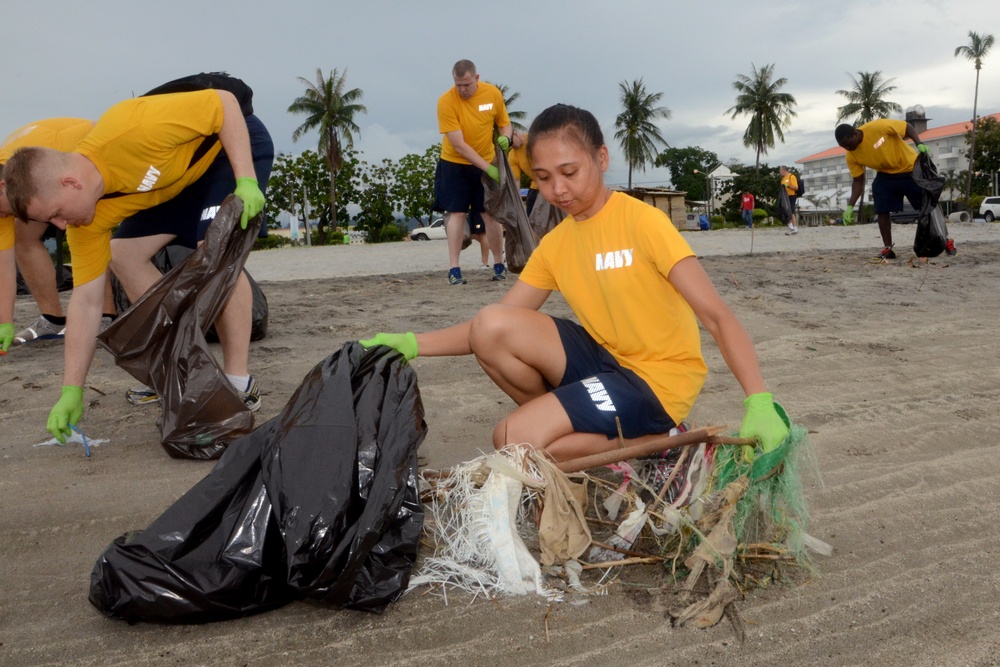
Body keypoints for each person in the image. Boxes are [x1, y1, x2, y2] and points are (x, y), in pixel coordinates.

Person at [361, 103, 788, 463]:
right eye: (543, 178)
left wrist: (759, 401)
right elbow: (487, 328)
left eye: (569, 172)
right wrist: (412, 343)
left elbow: (715, 315)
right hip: (603, 360)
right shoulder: (557, 243)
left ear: (601, 159)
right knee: (492, 325)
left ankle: (657, 440)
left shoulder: (644, 223)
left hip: (656, 383)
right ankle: (576, 425)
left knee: (510, 440)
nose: (557, 189)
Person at [3, 89, 273, 441]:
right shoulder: (87, 221)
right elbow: (85, 303)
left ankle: (238, 382)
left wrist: (246, 181)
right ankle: (180, 367)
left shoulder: (131, 130)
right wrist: (72, 390)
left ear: (70, 183)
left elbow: (223, 103)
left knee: (213, 248)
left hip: (227, 149)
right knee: (123, 253)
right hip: (175, 180)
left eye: (56, 214)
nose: (61, 226)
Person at [0, 118, 120, 354]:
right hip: (41, 180)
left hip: (88, 162)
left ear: (3, 186)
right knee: (23, 236)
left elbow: (98, 131)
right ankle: (52, 320)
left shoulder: (54, 146)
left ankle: (106, 316)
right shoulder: (6, 197)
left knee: (86, 228)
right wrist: (5, 321)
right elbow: (3, 265)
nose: (2, 215)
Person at [435, 59, 512, 285]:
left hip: (487, 158)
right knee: (456, 213)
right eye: (458, 85)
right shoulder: (446, 102)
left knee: (490, 214)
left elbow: (504, 123)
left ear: (476, 78)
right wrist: (488, 168)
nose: (463, 90)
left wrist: (506, 138)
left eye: (467, 84)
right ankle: (454, 268)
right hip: (454, 163)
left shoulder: (492, 94)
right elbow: (459, 145)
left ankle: (499, 264)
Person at [835, 120, 956, 259]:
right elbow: (858, 181)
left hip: (910, 169)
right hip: (886, 175)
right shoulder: (851, 155)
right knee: (881, 206)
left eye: (848, 144)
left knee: (930, 203)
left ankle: (947, 240)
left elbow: (907, 127)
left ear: (855, 134)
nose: (847, 148)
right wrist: (850, 206)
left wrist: (919, 143)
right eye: (843, 147)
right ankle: (888, 248)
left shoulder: (877, 127)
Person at [508, 129, 540, 216]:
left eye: (511, 143)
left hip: (551, 183)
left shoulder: (534, 138)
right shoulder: (512, 155)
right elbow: (516, 180)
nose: (510, 147)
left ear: (516, 134)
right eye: (508, 145)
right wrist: (517, 201)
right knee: (530, 215)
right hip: (535, 186)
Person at [779, 166, 799, 235]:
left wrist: (787, 186)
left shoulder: (791, 176)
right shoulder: (783, 179)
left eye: (780, 171)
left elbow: (796, 187)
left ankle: (795, 227)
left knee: (791, 211)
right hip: (785, 196)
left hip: (791, 196)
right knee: (785, 211)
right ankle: (790, 226)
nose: (780, 173)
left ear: (784, 170)